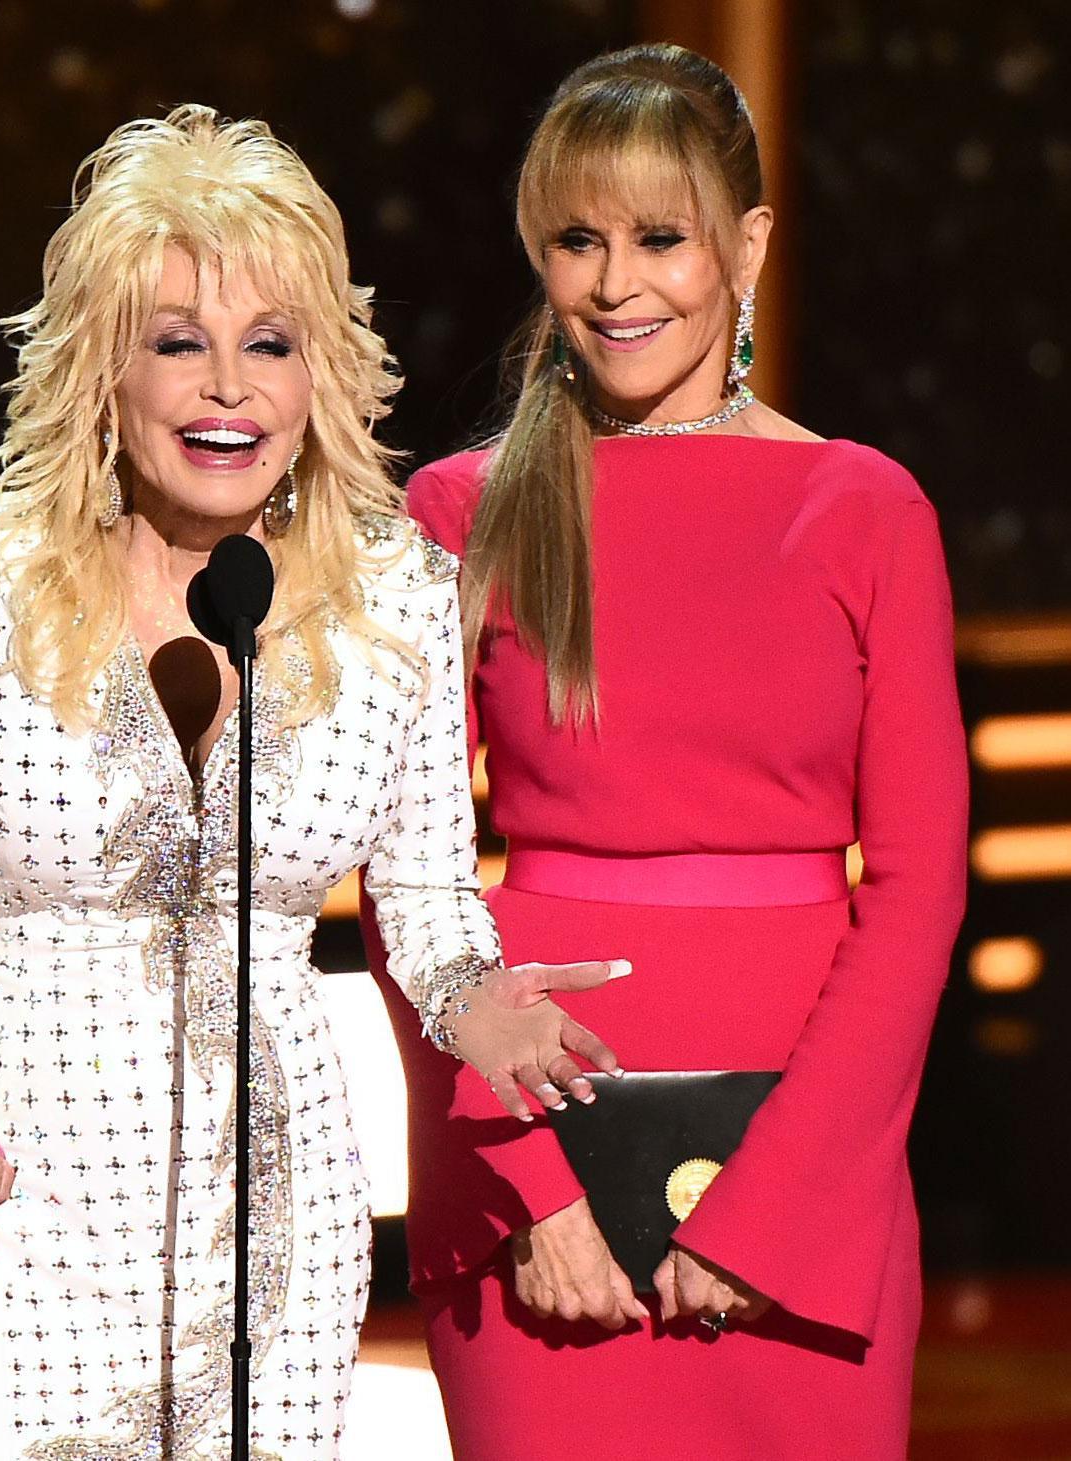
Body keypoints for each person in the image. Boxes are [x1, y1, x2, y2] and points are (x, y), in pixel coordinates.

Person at [0, 105, 622, 1461]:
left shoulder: (398, 597)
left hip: (277, 1202)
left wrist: (466, 993)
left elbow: (426, 886)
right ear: (102, 367)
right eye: (178, 344)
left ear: (321, 368)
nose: (228, 390)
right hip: (12, 1194)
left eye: (270, 345)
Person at [363, 43, 968, 1459]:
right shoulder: (457, 513)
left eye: (661, 238)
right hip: (535, 1177)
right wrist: (533, 1194)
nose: (618, 284)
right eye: (579, 240)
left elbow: (923, 885)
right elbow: (407, 882)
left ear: (747, 245)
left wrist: (774, 1212)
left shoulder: (866, 508)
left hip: (812, 1181)